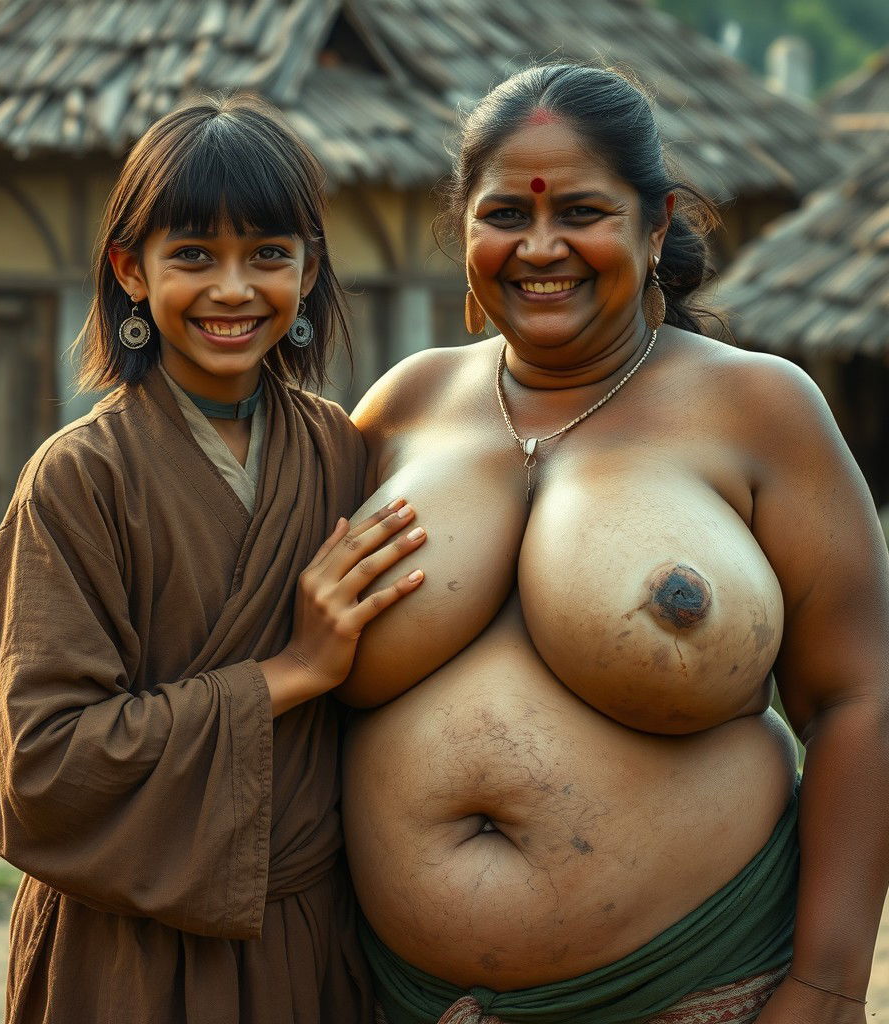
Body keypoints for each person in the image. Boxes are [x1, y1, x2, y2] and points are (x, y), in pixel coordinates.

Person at [336, 63, 889, 1024]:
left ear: (656, 222)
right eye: (505, 214)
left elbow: (861, 699)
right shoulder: (401, 409)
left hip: (692, 989)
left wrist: (827, 987)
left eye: (582, 211)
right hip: (397, 998)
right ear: (465, 228)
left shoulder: (759, 408)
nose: (540, 245)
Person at [0, 94, 428, 1023]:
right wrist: (290, 673)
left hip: (305, 936)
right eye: (193, 255)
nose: (233, 289)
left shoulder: (341, 452)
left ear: (308, 269)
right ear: (130, 270)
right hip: (124, 947)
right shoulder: (79, 480)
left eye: (268, 255)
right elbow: (45, 767)